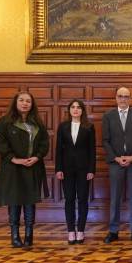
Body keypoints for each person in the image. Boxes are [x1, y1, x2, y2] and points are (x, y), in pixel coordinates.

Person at [0, 91, 49, 248]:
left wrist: (37, 157)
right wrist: (14, 159)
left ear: (32, 105)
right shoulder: (4, 122)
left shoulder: (37, 123)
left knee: (30, 201)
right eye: (22, 100)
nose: (25, 103)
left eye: (28, 101)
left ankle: (29, 235)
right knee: (14, 201)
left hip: (32, 167)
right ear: (15, 102)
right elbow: (0, 144)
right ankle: (15, 236)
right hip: (12, 168)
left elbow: (44, 143)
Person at [102, 86, 132, 243]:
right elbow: (105, 140)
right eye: (120, 96)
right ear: (116, 98)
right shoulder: (108, 115)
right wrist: (116, 158)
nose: (123, 99)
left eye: (126, 96)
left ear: (130, 99)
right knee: (115, 196)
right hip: (116, 162)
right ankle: (113, 231)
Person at [55, 100, 96, 245]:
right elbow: (58, 149)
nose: (75, 109)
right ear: (69, 110)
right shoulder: (63, 126)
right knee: (69, 199)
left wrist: (91, 169)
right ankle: (71, 231)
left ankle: (81, 231)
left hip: (84, 169)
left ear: (82, 110)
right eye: (73, 107)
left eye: (78, 107)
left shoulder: (89, 127)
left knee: (83, 199)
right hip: (66, 169)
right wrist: (58, 168)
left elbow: (92, 150)